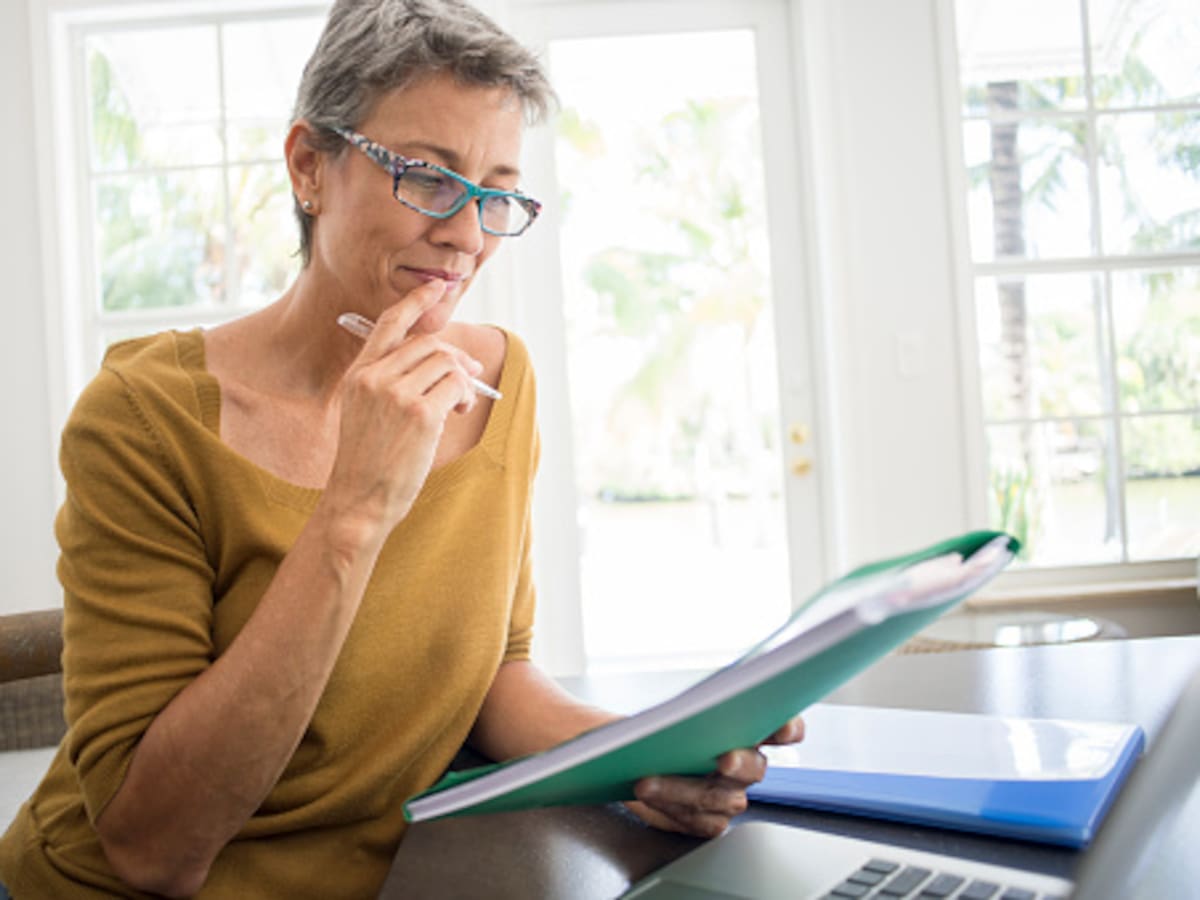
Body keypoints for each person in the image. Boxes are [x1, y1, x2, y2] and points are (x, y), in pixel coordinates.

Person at [0, 1, 804, 896]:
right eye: (428, 178)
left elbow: (492, 675)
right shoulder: (146, 420)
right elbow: (153, 850)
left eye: (497, 193)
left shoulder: (501, 382)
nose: (466, 234)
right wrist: (354, 509)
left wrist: (644, 758)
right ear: (310, 165)